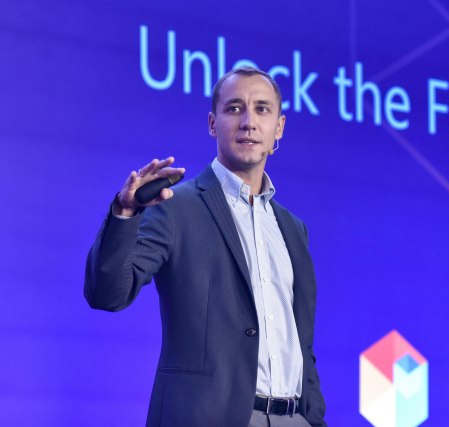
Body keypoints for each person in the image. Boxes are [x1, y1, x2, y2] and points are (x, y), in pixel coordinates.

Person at [85, 66, 326, 426]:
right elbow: (107, 294)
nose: (248, 122)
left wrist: (312, 418)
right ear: (213, 124)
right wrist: (125, 213)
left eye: (261, 109)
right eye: (234, 108)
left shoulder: (293, 229)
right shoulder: (176, 207)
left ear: (279, 127)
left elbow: (301, 342)